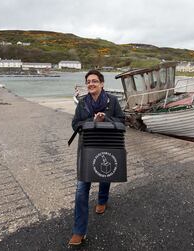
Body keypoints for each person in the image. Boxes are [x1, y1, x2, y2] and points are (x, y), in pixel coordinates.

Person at [69, 70, 125, 246]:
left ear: (101, 84)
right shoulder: (83, 102)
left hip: (108, 144)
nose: (90, 84)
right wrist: (92, 121)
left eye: (94, 81)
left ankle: (102, 200)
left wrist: (105, 118)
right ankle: (79, 231)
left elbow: (122, 121)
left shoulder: (112, 101)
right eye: (88, 81)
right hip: (86, 148)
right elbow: (75, 123)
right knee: (81, 189)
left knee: (105, 175)